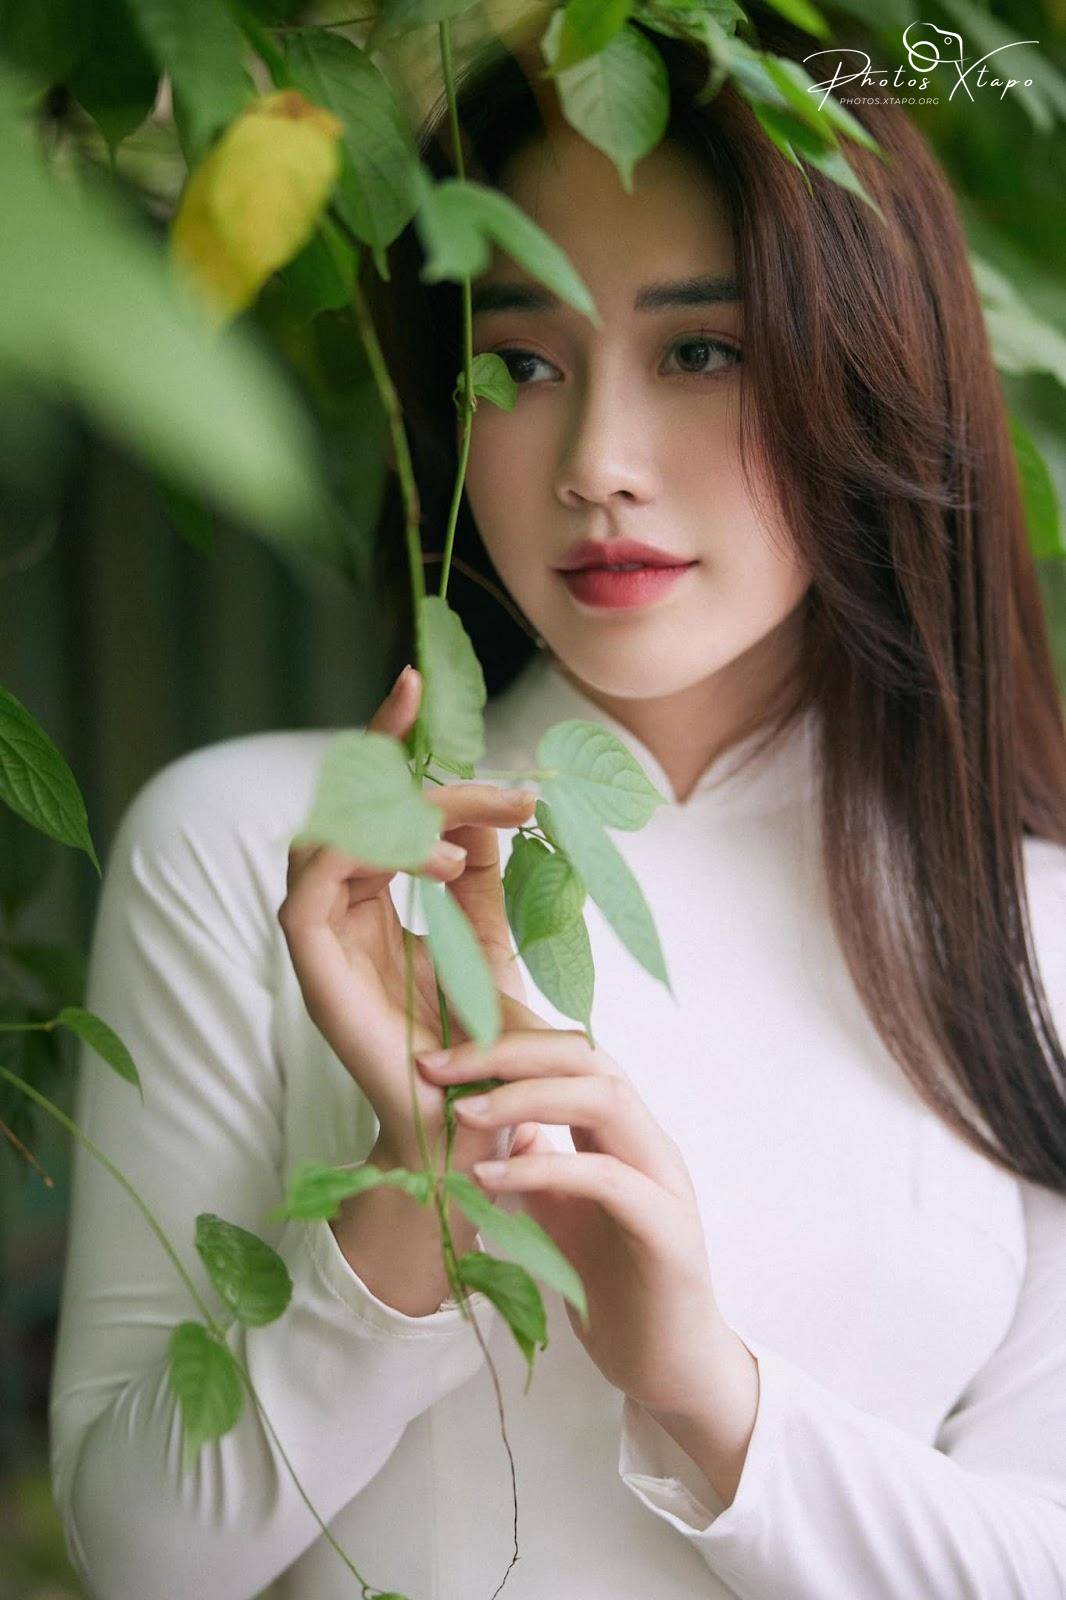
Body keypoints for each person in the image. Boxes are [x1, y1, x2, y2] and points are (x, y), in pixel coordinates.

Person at [49, 10, 1066, 1599]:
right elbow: (139, 1557)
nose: (597, 462)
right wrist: (410, 1217)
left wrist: (703, 1391)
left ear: (868, 376)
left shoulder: (1034, 933)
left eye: (700, 351)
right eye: (518, 362)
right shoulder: (261, 844)